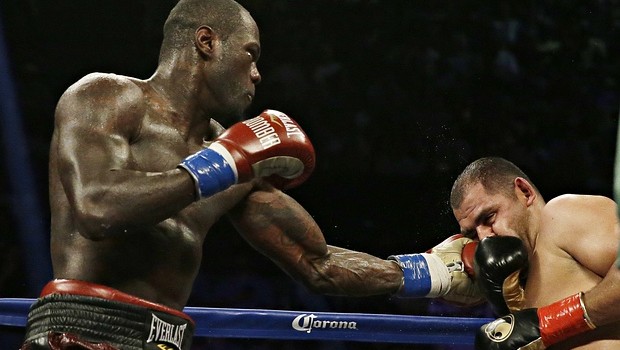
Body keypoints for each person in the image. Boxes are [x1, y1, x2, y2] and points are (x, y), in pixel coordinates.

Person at [19, 1, 483, 349]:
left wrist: (434, 273)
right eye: (250, 54)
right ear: (207, 43)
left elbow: (318, 265)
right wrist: (227, 161)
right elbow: (97, 209)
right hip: (81, 331)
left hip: (163, 339)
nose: (258, 74)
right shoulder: (106, 98)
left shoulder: (237, 163)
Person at [449, 156, 620, 349]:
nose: (484, 237)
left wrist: (549, 322)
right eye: (473, 234)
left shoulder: (561, 217)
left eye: (489, 217)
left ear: (524, 192)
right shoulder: (512, 285)